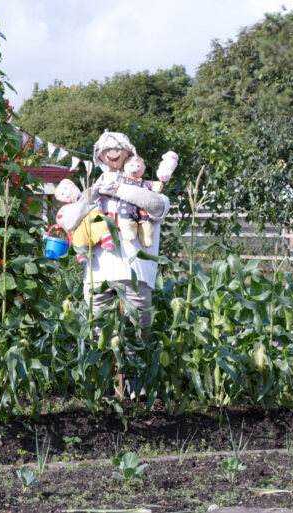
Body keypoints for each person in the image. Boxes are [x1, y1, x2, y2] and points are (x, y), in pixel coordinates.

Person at [86, 132, 171, 396]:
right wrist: (91, 195)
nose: (111, 154)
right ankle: (102, 385)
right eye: (106, 150)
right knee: (96, 329)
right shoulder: (95, 188)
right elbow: (71, 218)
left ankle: (136, 385)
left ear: (129, 153)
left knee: (137, 327)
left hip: (135, 270)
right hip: (98, 272)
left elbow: (158, 207)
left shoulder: (143, 185)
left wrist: (120, 189)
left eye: (117, 148)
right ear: (99, 156)